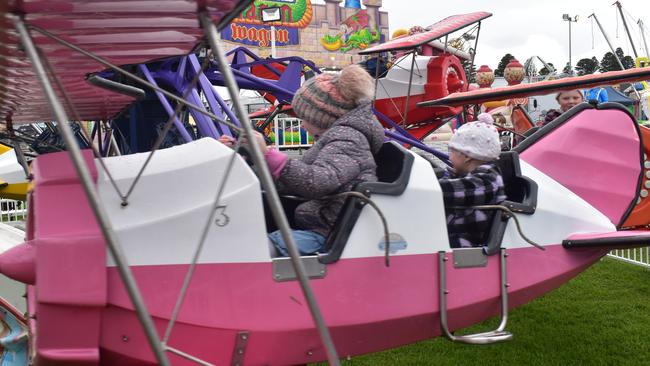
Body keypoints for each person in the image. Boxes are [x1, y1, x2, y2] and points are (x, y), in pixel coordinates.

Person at [247, 64, 385, 256]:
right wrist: (256, 158)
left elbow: (315, 182)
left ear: (323, 118)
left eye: (304, 118)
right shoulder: (334, 139)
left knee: (255, 249)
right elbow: (296, 178)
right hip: (318, 223)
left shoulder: (348, 140)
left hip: (326, 234)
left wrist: (270, 156)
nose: (301, 124)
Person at [439, 113, 506, 248]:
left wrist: (422, 184)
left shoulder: (488, 179)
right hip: (453, 239)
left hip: (466, 245)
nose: (449, 157)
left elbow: (446, 191)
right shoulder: (468, 175)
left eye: (451, 151)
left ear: (466, 156)